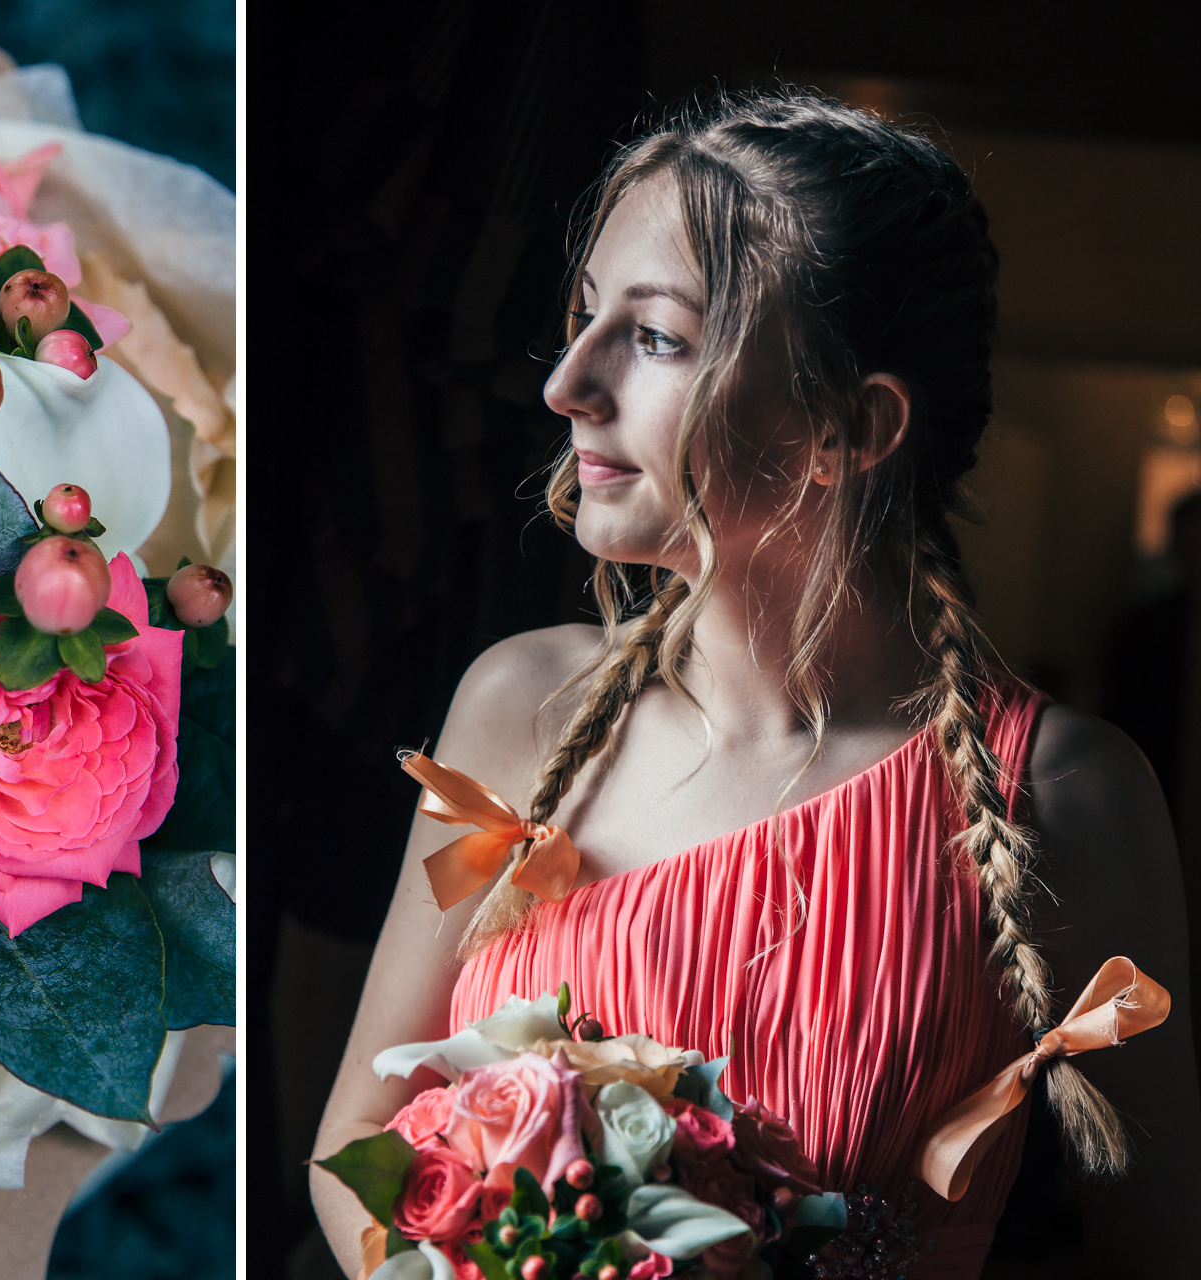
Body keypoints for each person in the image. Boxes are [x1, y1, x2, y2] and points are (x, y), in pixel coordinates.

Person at [309, 89, 1201, 1278]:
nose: (567, 382)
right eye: (584, 318)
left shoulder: (1068, 794)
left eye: (659, 337)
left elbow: (1151, 1255)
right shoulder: (519, 704)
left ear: (849, 426)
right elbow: (355, 1144)